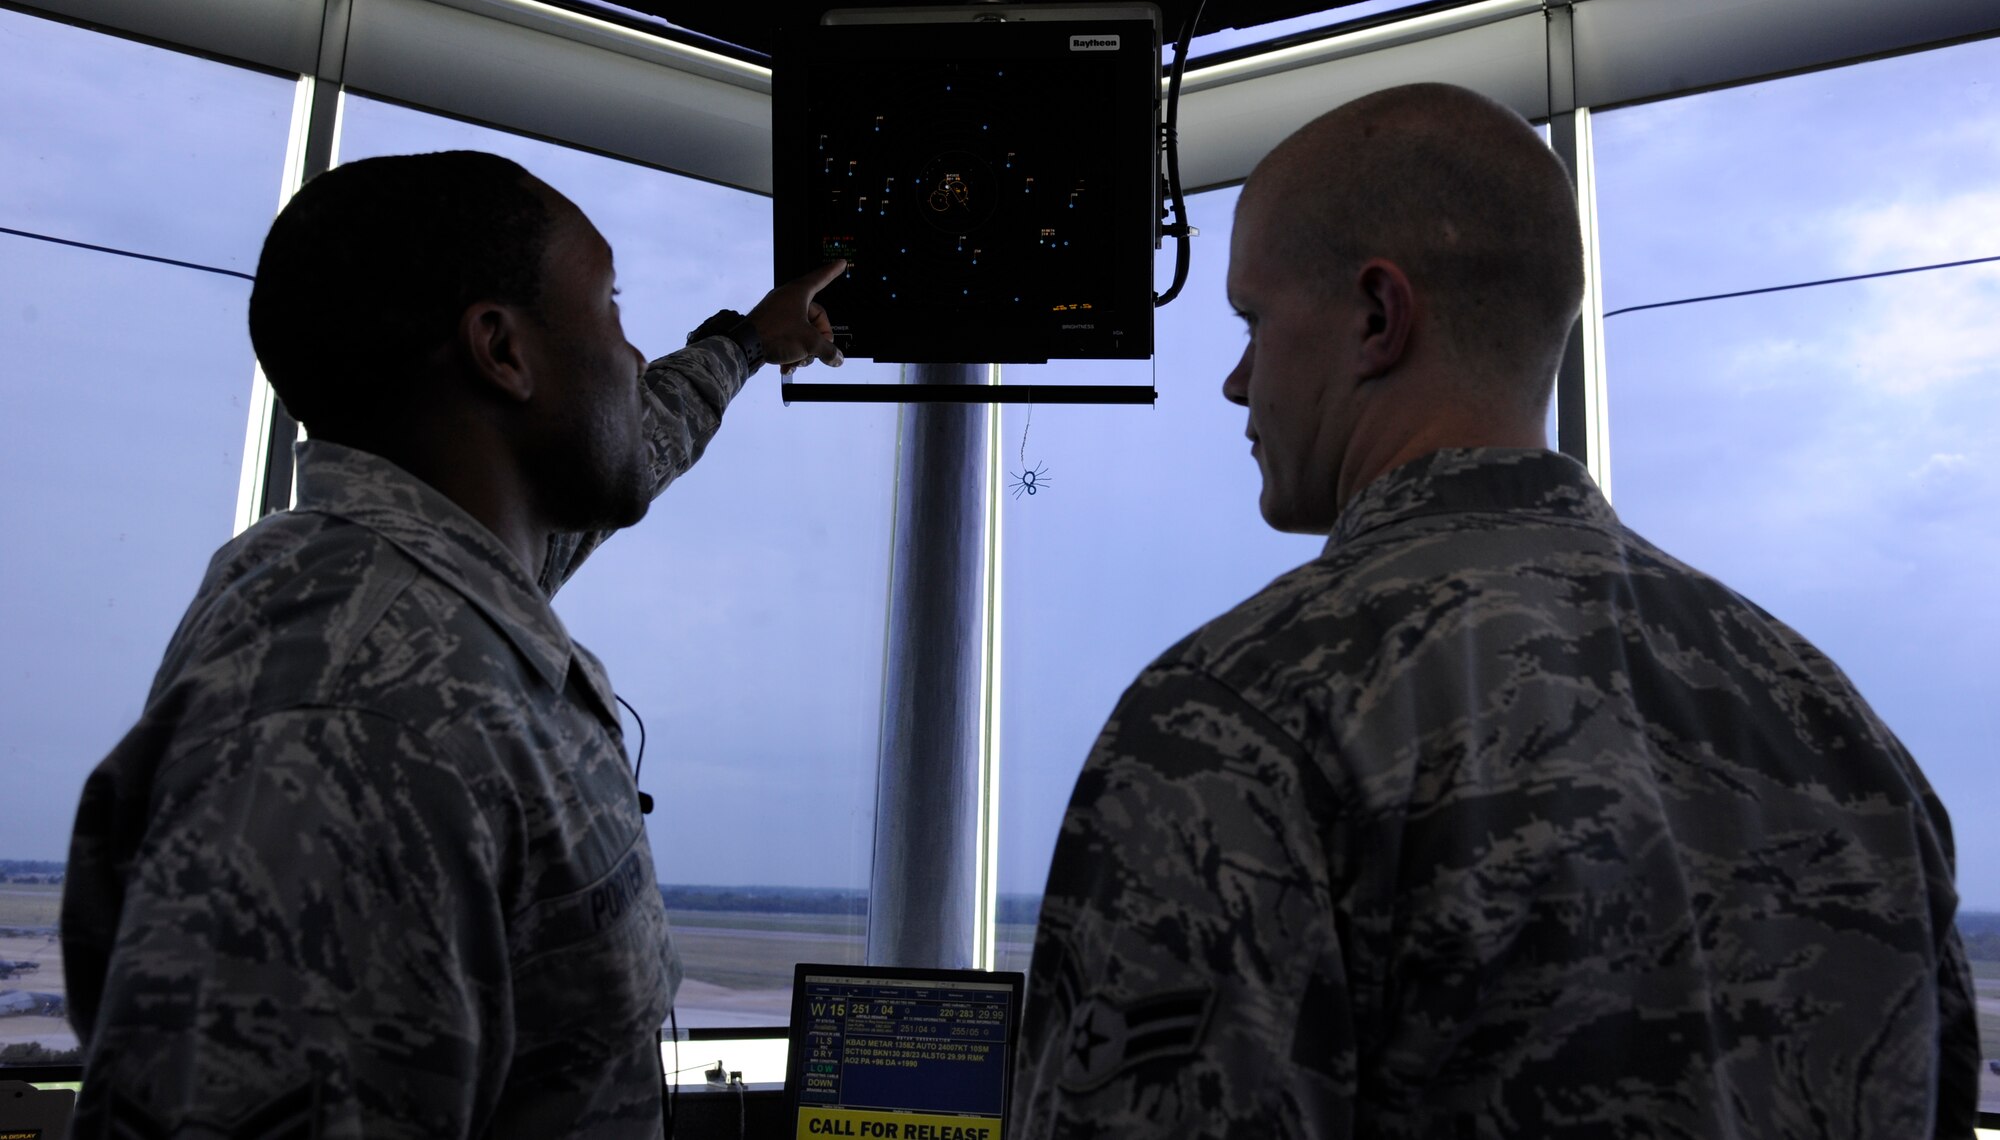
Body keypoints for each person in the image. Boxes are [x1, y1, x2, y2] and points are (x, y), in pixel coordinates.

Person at [1010, 83, 1978, 1137]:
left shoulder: (1238, 718)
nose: (1237, 382)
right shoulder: (1838, 730)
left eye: (1251, 320)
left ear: (1377, 317)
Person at [60, 150, 845, 1138]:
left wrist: (744, 342)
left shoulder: (414, 581)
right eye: (609, 307)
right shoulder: (354, 729)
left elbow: (636, 443)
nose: (633, 356)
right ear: (501, 352)